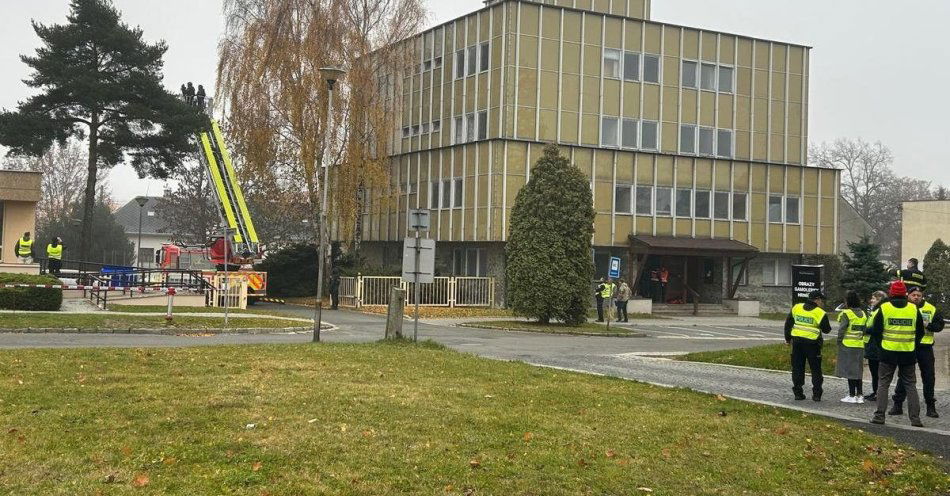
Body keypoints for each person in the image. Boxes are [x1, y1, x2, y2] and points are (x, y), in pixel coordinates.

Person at [869, 281, 925, 427]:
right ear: (905, 293)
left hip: (887, 352)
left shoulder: (884, 307)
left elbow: (876, 330)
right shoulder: (913, 309)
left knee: (883, 384)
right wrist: (913, 346)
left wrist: (881, 346)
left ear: (891, 293)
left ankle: (879, 416)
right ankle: (915, 419)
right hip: (908, 353)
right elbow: (920, 332)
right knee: (910, 385)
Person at [891, 286, 943, 418]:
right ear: (908, 295)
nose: (916, 297)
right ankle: (897, 405)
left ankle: (930, 407)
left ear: (922, 296)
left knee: (929, 377)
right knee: (904, 377)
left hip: (925, 348)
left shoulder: (931, 308)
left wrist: (928, 325)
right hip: (909, 346)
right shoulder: (904, 307)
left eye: (919, 295)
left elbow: (939, 326)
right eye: (914, 295)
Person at [784, 290, 831, 401]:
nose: (822, 303)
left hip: (797, 343)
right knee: (815, 369)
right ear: (817, 300)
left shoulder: (797, 307)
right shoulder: (820, 313)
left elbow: (788, 324)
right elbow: (827, 330)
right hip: (813, 344)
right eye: (821, 300)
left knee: (797, 368)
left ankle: (798, 393)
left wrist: (787, 339)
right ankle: (816, 394)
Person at [835, 290, 867, 403]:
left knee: (850, 371)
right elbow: (864, 330)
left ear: (847, 301)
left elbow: (842, 330)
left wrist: (839, 342)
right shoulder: (863, 314)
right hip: (859, 345)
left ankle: (852, 395)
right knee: (858, 371)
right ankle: (860, 395)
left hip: (848, 345)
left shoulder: (846, 314)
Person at [863, 290, 888, 401]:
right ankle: (875, 392)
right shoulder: (875, 310)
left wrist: (865, 330)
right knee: (874, 372)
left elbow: (877, 328)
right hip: (871, 344)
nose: (871, 300)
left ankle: (878, 393)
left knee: (877, 372)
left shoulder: (880, 310)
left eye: (873, 298)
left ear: (879, 299)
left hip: (876, 345)